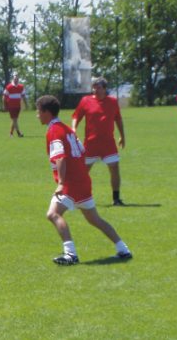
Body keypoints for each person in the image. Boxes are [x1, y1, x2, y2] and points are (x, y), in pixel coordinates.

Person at [36, 95, 132, 265]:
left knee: (53, 214)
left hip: (70, 183)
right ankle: (123, 249)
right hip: (82, 181)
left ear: (46, 112)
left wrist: (61, 183)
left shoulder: (54, 131)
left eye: (39, 111)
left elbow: (60, 158)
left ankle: (70, 254)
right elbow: (81, 151)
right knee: (94, 219)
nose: (37, 115)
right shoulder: (67, 129)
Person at [71, 77, 126, 206]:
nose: (95, 90)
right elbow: (76, 116)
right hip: (91, 143)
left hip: (108, 143)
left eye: (98, 87)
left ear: (105, 89)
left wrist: (122, 136)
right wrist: (74, 128)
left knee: (114, 169)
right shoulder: (86, 101)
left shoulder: (112, 102)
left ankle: (116, 199)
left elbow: (118, 119)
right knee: (83, 172)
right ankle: (75, 197)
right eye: (94, 87)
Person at [3, 73, 28, 137]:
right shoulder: (9, 87)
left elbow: (23, 96)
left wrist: (25, 104)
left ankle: (11, 134)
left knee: (15, 120)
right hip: (11, 106)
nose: (16, 80)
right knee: (15, 119)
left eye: (17, 79)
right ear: (13, 79)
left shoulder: (21, 87)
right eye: (15, 79)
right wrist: (5, 105)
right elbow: (4, 97)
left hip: (18, 106)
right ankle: (19, 133)